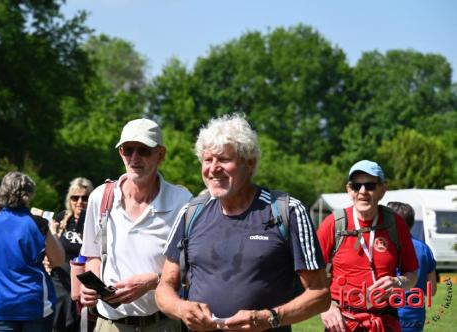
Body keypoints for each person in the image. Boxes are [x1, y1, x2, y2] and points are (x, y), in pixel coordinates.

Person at [156, 113, 330, 331]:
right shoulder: (191, 212)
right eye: (208, 160)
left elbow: (320, 294)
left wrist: (269, 318)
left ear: (250, 163)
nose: (213, 168)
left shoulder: (287, 210)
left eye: (224, 159)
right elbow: (164, 287)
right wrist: (181, 309)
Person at [80, 118, 193, 332]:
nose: (134, 158)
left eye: (143, 150)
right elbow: (93, 255)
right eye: (127, 149)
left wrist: (154, 281)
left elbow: (193, 265)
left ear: (161, 154)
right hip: (111, 325)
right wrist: (91, 286)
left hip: (162, 323)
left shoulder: (182, 201)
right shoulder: (101, 198)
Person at [317, 160, 419, 332]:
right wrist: (326, 307)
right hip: (343, 324)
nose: (363, 192)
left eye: (370, 185)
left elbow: (412, 275)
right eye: (356, 186)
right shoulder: (334, 223)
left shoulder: (395, 223)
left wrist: (399, 282)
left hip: (385, 323)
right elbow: (310, 275)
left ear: (382, 190)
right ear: (349, 190)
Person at [0, 171, 65, 331]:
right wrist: (52, 231)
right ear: (29, 194)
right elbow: (58, 259)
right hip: (34, 303)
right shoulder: (37, 223)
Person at [49, 177, 94, 331]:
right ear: (70, 199)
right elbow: (51, 247)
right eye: (75, 197)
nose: (80, 201)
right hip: (60, 283)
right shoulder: (62, 218)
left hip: (84, 285)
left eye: (85, 197)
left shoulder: (95, 221)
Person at [387, 201, 437, 332]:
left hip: (388, 316)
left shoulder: (384, 248)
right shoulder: (424, 249)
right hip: (415, 318)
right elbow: (431, 290)